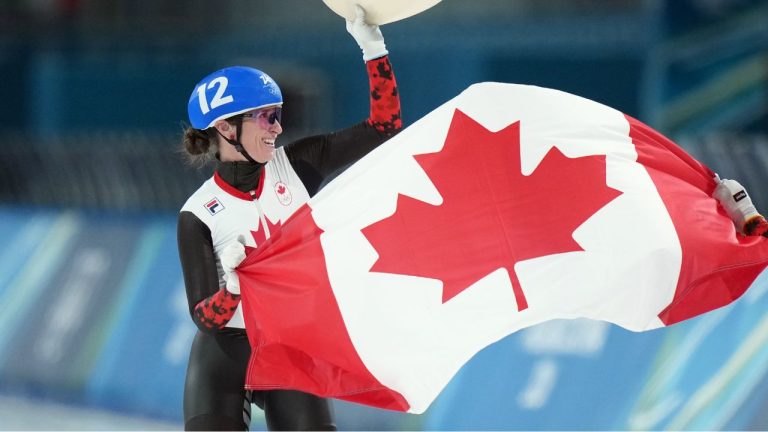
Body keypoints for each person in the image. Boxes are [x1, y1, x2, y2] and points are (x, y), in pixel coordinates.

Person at [176, 6, 401, 431]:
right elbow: (205, 318)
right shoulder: (197, 214)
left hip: (288, 347)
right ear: (226, 128)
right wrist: (233, 290)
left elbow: (384, 125)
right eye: (267, 117)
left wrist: (374, 50)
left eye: (279, 115)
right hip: (224, 356)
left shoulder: (296, 166)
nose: (278, 128)